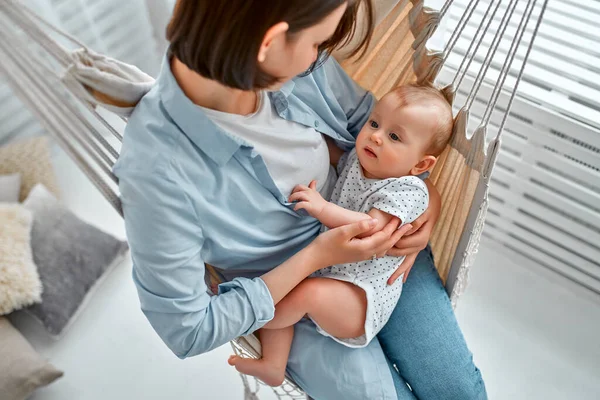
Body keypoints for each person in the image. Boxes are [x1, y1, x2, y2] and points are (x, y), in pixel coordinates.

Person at [113, 0, 487, 398]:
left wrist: (427, 202)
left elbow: (393, 135)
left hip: (384, 251)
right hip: (291, 301)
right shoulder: (156, 171)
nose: (321, 56)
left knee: (459, 392)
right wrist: (316, 256)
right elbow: (189, 331)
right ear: (270, 42)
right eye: (318, 42)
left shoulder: (298, 65)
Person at [228, 84, 454, 386]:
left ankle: (243, 316)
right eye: (375, 123)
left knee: (305, 294)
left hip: (360, 296)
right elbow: (326, 151)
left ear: (421, 165)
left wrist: (321, 208)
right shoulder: (359, 161)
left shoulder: (407, 190)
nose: (375, 135)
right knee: (287, 285)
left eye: (394, 136)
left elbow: (369, 228)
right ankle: (273, 364)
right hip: (334, 272)